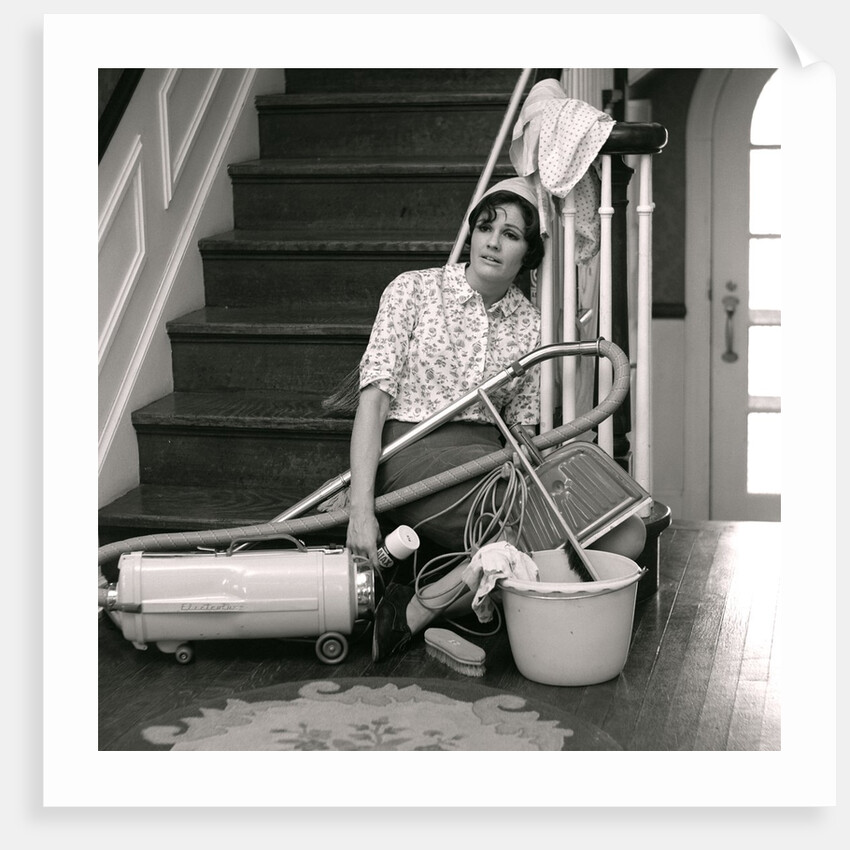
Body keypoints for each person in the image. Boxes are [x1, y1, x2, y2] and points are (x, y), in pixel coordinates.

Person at [345, 176, 644, 662]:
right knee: (545, 528)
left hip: (491, 461)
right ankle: (434, 604)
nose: (492, 241)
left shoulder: (530, 324)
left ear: (528, 253)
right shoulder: (413, 290)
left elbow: (520, 430)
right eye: (486, 227)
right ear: (472, 234)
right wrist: (361, 512)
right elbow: (373, 405)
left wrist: (552, 449)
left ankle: (423, 605)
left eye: (510, 235)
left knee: (626, 535)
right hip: (410, 451)